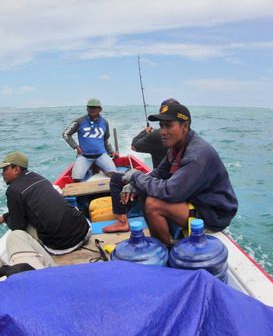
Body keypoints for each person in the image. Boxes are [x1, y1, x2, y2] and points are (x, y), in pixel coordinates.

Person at [119, 103, 238, 245]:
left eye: (168, 126)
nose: (162, 131)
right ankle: (160, 240)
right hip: (196, 200)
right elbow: (159, 172)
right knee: (144, 190)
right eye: (161, 125)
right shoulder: (176, 146)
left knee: (153, 204)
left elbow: (170, 192)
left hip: (213, 214)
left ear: (185, 127)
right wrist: (135, 184)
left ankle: (165, 249)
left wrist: (135, 176)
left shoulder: (196, 154)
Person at [102, 98, 180, 233]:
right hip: (172, 183)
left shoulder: (157, 135)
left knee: (116, 179)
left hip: (162, 185)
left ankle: (122, 221)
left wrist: (145, 132)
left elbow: (134, 146)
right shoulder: (184, 138)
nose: (164, 131)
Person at [0, 151, 91, 255]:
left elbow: (18, 226)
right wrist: (6, 215)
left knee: (17, 234)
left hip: (63, 245)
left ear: (16, 169)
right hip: (83, 230)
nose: (2, 174)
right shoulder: (37, 177)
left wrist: (7, 219)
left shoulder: (13, 190)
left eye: (5, 169)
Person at [62, 98, 118, 181]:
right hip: (84, 156)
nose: (92, 109)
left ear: (100, 109)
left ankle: (97, 166)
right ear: (86, 108)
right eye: (90, 107)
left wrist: (111, 151)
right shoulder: (79, 121)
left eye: (94, 107)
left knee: (114, 176)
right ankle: (93, 166)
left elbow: (106, 139)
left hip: (101, 155)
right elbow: (66, 134)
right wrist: (76, 147)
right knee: (76, 179)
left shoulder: (105, 122)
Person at [131, 98, 180, 168]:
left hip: (159, 177)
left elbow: (134, 146)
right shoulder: (186, 135)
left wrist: (145, 132)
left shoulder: (155, 135)